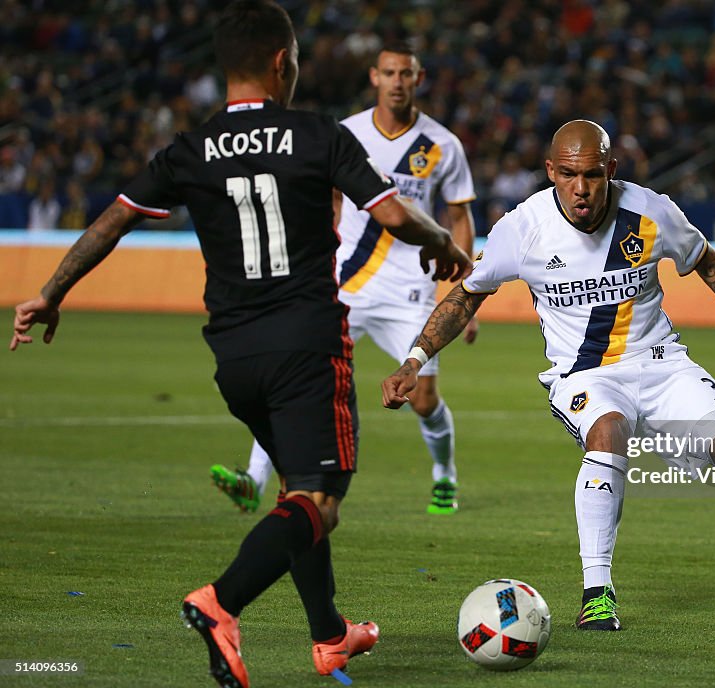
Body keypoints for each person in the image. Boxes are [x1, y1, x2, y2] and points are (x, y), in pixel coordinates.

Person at [10, 2, 471, 686]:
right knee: (320, 501)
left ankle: (330, 635)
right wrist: (441, 244)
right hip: (307, 345)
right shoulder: (317, 136)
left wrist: (52, 290)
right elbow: (396, 214)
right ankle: (221, 603)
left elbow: (114, 219)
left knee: (294, 489)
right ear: (283, 64)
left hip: (233, 354)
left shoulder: (189, 149)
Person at [382, 120, 715, 631]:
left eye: (591, 175)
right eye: (567, 175)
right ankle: (597, 592)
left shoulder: (651, 211)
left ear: (611, 170)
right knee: (607, 433)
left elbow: (709, 264)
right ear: (550, 172)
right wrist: (414, 359)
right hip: (585, 375)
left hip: (662, 364)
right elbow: (468, 292)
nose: (580, 190)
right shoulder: (524, 227)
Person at [211, 41, 477, 516]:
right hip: (346, 285)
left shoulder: (443, 145)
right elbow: (329, 205)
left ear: (419, 79)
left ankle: (444, 475)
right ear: (374, 77)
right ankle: (253, 479)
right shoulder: (347, 133)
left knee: (423, 400)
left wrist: (464, 292)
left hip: (410, 290)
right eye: (389, 73)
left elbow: (458, 217)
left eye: (407, 74)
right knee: (294, 372)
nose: (398, 81)